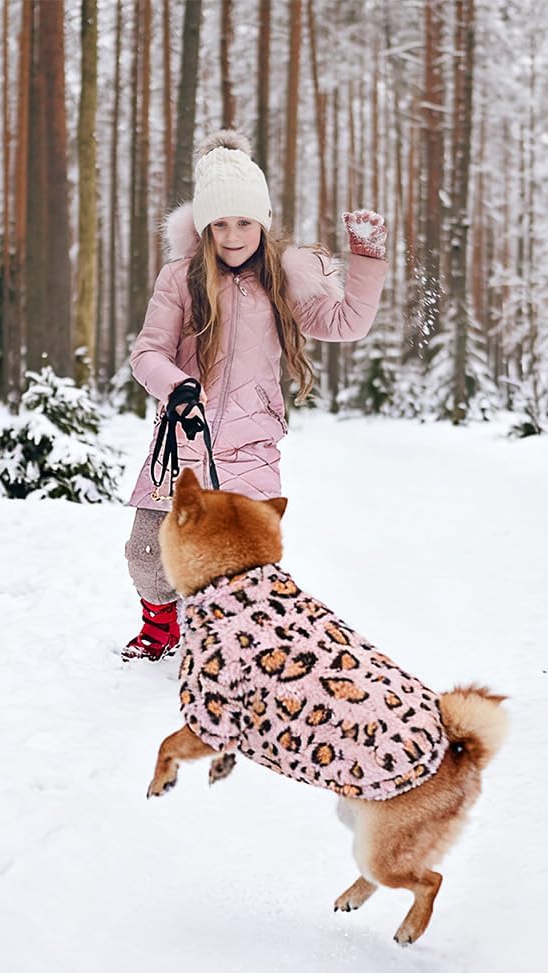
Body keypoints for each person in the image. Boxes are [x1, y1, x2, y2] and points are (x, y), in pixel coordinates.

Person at [122, 129, 388, 661]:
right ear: (204, 228)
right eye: (220, 224)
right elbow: (147, 352)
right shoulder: (180, 279)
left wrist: (366, 258)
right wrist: (176, 386)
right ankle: (162, 627)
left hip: (252, 447)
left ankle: (234, 644)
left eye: (244, 222)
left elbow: (347, 323)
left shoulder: (284, 281)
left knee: (240, 561)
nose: (232, 235)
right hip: (183, 440)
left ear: (262, 223)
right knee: (148, 555)